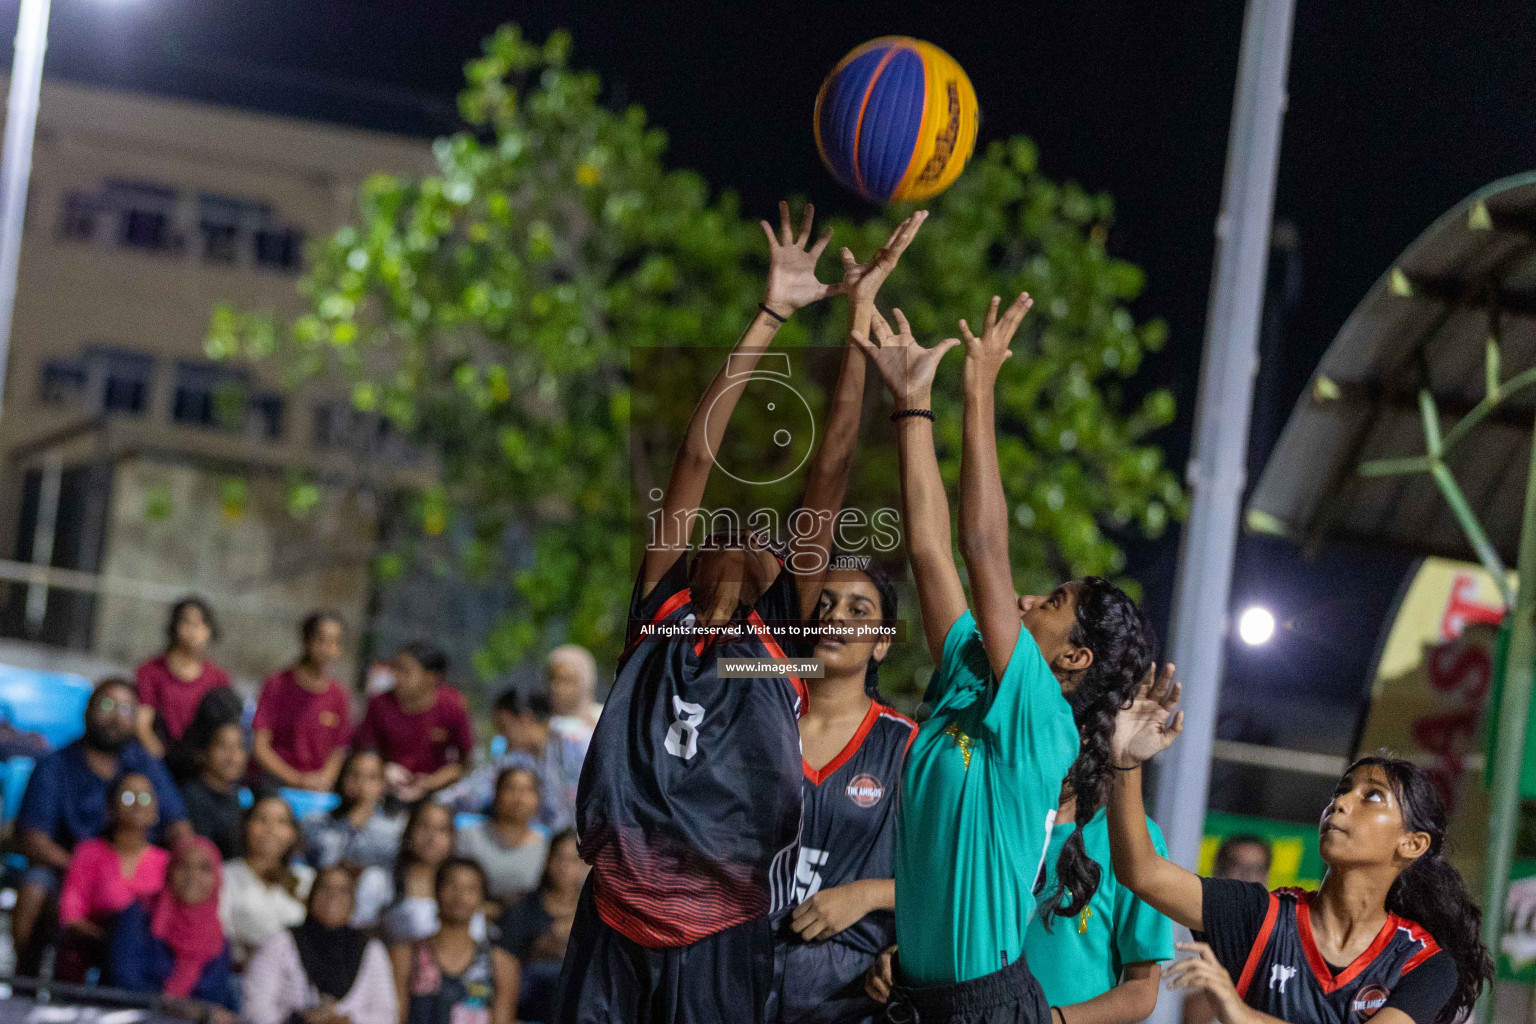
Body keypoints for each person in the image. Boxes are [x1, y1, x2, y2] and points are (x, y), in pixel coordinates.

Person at [555, 201, 921, 1024]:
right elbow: (694, 455)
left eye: (774, 538)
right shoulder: (661, 618)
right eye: (740, 524)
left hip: (719, 929)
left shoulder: (773, 644)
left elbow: (828, 471)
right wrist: (771, 315)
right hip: (615, 908)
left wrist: (859, 316)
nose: (757, 530)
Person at [850, 292, 1158, 1024]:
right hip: (924, 1001)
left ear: (1074, 657)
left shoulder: (1039, 717)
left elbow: (982, 547)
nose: (1023, 603)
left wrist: (980, 385)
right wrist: (911, 405)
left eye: (1047, 604)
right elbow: (927, 545)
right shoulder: (968, 676)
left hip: (983, 1010)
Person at [1106, 671, 1494, 1024]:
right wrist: (1125, 761)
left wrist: (1244, 1016)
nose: (1340, 803)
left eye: (1371, 797)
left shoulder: (1423, 962)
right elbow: (1141, 872)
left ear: (1412, 843)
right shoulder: (1262, 917)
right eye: (1342, 791)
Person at [769, 559, 914, 1024]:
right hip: (732, 975)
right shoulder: (758, 722)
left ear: (882, 642)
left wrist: (868, 894)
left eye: (858, 611)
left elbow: (955, 881)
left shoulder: (908, 747)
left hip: (845, 998)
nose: (834, 618)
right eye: (824, 605)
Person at [12, 678, 191, 974]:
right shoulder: (55, 766)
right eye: (107, 705)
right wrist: (90, 873)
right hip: (68, 872)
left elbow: (177, 823)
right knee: (34, 885)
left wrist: (184, 861)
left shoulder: (144, 764)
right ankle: (25, 987)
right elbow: (32, 839)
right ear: (86, 711)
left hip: (140, 871)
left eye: (125, 709)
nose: (115, 716)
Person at [242, 863, 399, 1024]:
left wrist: (345, 1020)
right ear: (311, 896)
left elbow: (386, 1015)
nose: (333, 896)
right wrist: (300, 1020)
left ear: (353, 901)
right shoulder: (280, 943)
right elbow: (255, 1009)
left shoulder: (371, 950)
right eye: (325, 888)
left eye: (343, 891)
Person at [107, 837, 238, 1023]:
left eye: (204, 869)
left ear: (216, 878)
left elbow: (215, 999)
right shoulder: (139, 916)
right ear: (169, 871)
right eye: (183, 866)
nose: (192, 876)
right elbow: (125, 983)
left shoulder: (219, 941)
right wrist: (181, 1009)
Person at [56, 772, 171, 982]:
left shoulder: (167, 863)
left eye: (145, 798)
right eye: (128, 797)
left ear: (156, 810)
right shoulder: (88, 853)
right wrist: (114, 942)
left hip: (148, 960)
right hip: (94, 952)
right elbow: (70, 915)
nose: (137, 803)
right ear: (110, 807)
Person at [437, 688, 585, 833]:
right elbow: (476, 788)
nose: (502, 736)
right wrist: (435, 802)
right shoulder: (518, 757)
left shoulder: (574, 740)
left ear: (525, 719)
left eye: (504, 726)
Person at [392, 857, 517, 1024]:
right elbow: (395, 1016)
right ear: (436, 891)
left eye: (470, 889)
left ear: (482, 899)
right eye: (451, 885)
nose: (460, 896)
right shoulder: (406, 955)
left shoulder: (501, 964)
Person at [353, 640, 474, 803]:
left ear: (432, 678)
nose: (397, 677)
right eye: (396, 668)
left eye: (406, 671)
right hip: (382, 793)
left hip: (432, 798)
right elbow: (363, 752)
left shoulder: (452, 707)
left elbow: (463, 763)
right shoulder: (379, 704)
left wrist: (429, 782)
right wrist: (384, 769)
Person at [252, 611, 352, 792]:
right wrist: (296, 779)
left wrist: (323, 780)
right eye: (322, 640)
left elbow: (339, 750)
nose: (328, 649)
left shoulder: (339, 696)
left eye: (335, 642)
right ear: (306, 640)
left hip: (318, 790)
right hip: (276, 785)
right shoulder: (277, 684)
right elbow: (260, 746)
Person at [360, 799, 486, 942]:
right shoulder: (378, 880)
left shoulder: (464, 889)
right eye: (424, 826)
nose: (431, 837)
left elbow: (476, 939)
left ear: (452, 839)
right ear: (409, 831)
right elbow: (360, 936)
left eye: (441, 829)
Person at [1183, 835, 1276, 1024]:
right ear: (1218, 871)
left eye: (1256, 869)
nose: (1248, 877)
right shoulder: (1189, 930)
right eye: (1238, 867)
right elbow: (1186, 1014)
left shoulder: (1277, 933)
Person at [497, 829, 588, 1024]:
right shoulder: (521, 908)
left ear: (583, 866)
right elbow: (504, 963)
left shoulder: (594, 913)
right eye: (558, 858)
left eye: (572, 860)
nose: (564, 867)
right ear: (547, 860)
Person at [220, 794, 316, 967]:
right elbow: (223, 934)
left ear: (293, 833)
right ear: (246, 826)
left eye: (281, 821)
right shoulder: (226, 875)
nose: (270, 829)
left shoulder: (307, 879)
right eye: (262, 819)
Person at [136, 597, 232, 759]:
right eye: (187, 622)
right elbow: (142, 725)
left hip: (200, 763)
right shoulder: (151, 671)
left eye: (200, 623)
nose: (193, 630)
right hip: (158, 758)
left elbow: (225, 729)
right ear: (174, 627)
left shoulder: (219, 678)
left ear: (209, 631)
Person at [456, 766, 549, 908]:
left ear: (538, 799)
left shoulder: (547, 847)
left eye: (527, 790)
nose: (519, 798)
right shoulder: (468, 836)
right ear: (496, 794)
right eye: (511, 788)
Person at [304, 748, 407, 871]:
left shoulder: (395, 828)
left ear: (382, 785)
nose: (361, 783)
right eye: (354, 775)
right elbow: (324, 861)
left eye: (371, 777)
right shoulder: (316, 820)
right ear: (342, 779)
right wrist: (351, 822)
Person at [179, 717, 249, 860]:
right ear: (202, 753)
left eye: (239, 747)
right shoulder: (192, 796)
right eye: (223, 746)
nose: (232, 756)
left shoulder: (238, 794)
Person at [545, 645, 601, 747]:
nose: (555, 687)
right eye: (552, 678)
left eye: (565, 680)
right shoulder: (539, 724)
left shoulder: (604, 720)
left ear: (584, 682)